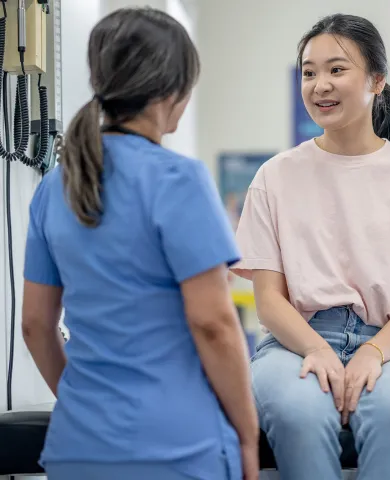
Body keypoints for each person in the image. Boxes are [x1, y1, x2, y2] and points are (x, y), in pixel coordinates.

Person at [21, 8, 258, 480]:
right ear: (173, 91)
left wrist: (87, 409)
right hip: (177, 448)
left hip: (79, 448)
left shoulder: (55, 186)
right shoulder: (179, 179)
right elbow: (214, 324)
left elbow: (34, 325)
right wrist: (249, 435)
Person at [231, 13, 390, 480]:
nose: (320, 85)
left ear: (377, 80)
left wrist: (373, 353)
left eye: (337, 70)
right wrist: (316, 348)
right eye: (309, 72)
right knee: (300, 413)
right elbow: (269, 300)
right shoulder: (274, 177)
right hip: (291, 344)